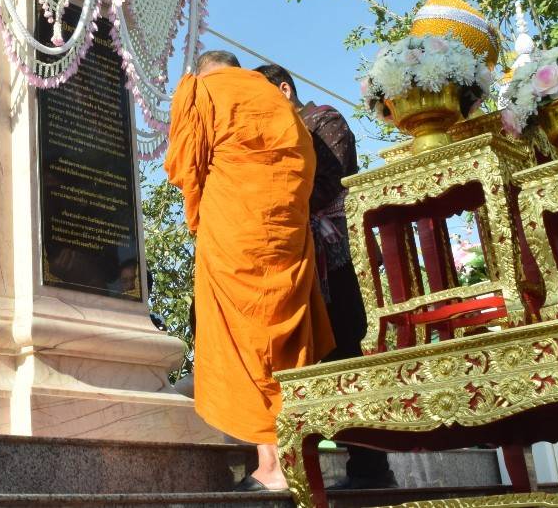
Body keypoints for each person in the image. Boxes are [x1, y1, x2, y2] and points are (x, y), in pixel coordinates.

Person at [165, 50, 334, 492]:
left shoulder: (200, 91)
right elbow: (303, 171)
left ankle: (272, 467)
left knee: (248, 341)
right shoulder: (280, 102)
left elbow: (185, 167)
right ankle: (299, 458)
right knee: (285, 345)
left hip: (235, 236)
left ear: (204, 71)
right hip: (285, 238)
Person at [256, 64, 398, 491]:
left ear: (284, 89)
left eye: (264, 100)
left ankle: (371, 468)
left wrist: (275, 210)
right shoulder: (274, 133)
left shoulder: (325, 121)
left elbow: (327, 183)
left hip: (335, 258)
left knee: (346, 351)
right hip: (298, 257)